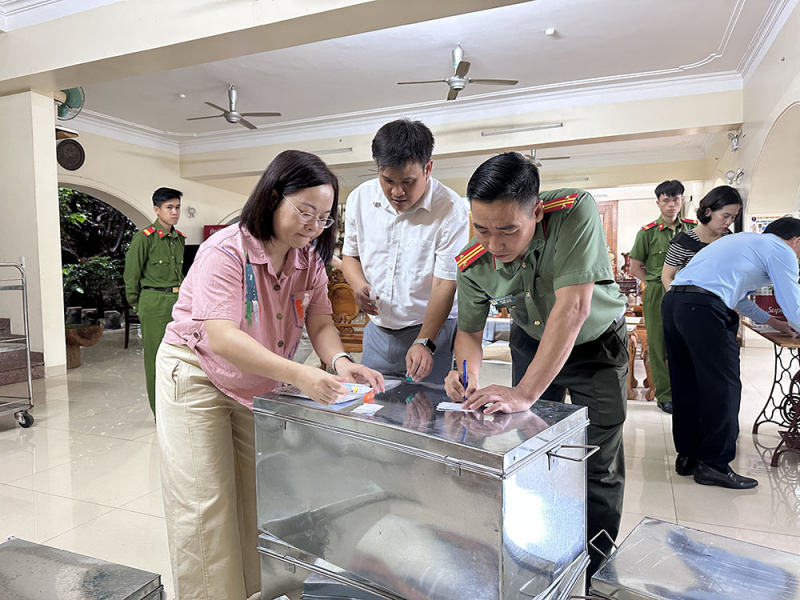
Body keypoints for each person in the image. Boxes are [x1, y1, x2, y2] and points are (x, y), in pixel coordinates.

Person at [155, 150, 384, 600]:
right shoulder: (226, 251)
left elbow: (320, 322)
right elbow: (222, 337)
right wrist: (300, 376)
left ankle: (255, 590)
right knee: (205, 504)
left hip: (255, 381)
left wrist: (339, 362)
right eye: (304, 212)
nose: (313, 226)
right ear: (272, 196)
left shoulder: (309, 259)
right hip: (197, 373)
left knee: (259, 497)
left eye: (323, 218)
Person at [444, 152, 628, 578]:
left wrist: (524, 391)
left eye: (508, 229)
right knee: (531, 448)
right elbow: (469, 333)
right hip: (532, 341)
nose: (495, 245)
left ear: (536, 211)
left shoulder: (573, 211)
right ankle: (543, 546)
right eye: (482, 229)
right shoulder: (473, 262)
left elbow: (574, 308)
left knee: (596, 457)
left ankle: (593, 566)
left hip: (594, 343)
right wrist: (466, 377)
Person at [662, 216, 800, 489]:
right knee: (723, 387)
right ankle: (714, 465)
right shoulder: (782, 250)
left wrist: (774, 322)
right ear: (797, 241)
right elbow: (793, 302)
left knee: (686, 383)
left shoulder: (742, 242)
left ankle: (688, 456)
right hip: (703, 308)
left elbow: (736, 296)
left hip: (675, 302)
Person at [342, 119, 469, 384]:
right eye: (387, 180)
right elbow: (350, 255)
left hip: (431, 327)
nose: (397, 192)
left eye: (408, 182)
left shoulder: (450, 209)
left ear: (428, 168)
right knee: (373, 406)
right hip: (377, 330)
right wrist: (358, 285)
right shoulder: (359, 199)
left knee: (425, 411)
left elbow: (445, 283)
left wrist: (425, 341)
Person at [628, 180, 697, 414]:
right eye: (666, 200)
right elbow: (635, 266)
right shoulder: (646, 233)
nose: (671, 205)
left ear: (681, 201)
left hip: (691, 291)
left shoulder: (693, 229)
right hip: (657, 291)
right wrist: (653, 282)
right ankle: (665, 394)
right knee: (658, 344)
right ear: (658, 203)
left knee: (688, 342)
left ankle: (686, 390)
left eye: (675, 199)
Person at [123, 187, 185, 416]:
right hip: (154, 302)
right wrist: (138, 306)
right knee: (156, 357)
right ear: (157, 209)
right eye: (169, 207)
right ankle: (159, 412)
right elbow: (131, 276)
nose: (175, 212)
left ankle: (176, 407)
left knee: (179, 356)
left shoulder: (179, 239)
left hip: (178, 301)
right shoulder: (145, 238)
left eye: (177, 207)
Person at [661, 186, 742, 289]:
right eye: (725, 216)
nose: (729, 222)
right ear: (708, 212)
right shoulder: (683, 242)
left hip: (725, 301)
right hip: (693, 300)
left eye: (733, 217)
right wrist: (677, 300)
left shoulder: (731, 240)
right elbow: (667, 277)